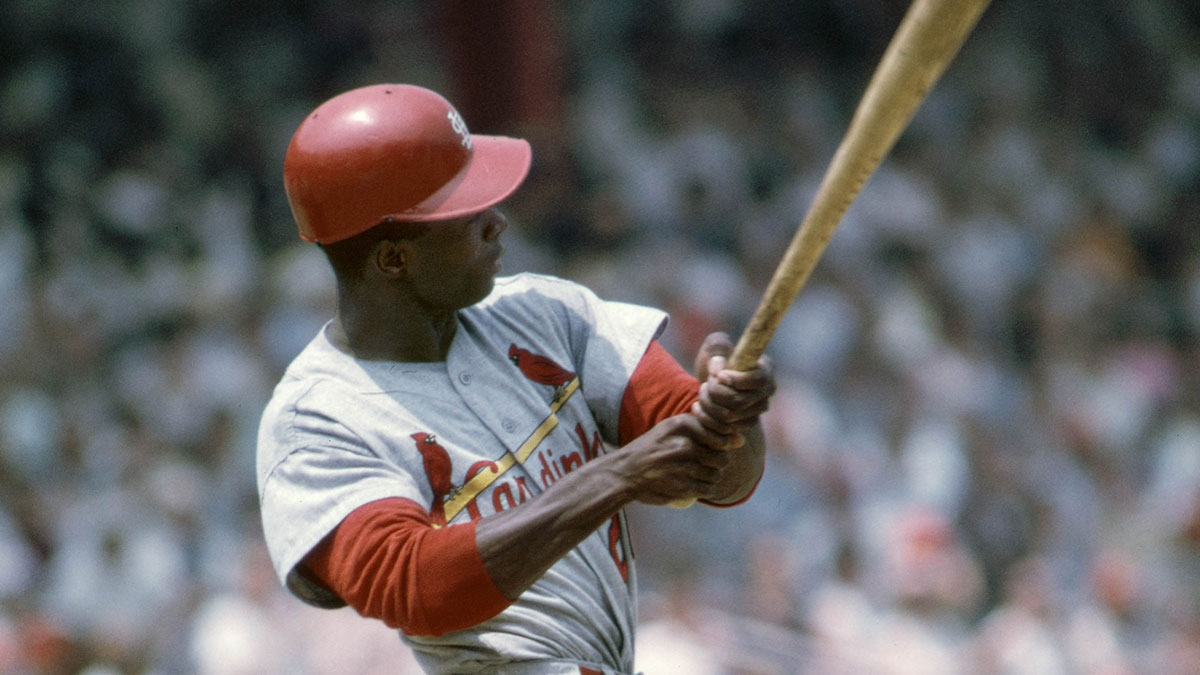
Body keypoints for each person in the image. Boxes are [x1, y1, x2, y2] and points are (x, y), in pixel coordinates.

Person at [256, 83, 776, 675]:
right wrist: (617, 476)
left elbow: (722, 477)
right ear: (394, 259)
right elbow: (415, 587)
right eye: (466, 213)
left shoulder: (546, 313)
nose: (497, 221)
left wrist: (732, 413)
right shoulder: (314, 423)